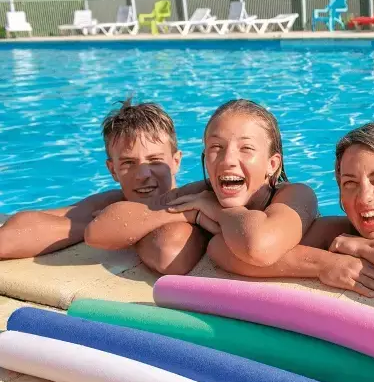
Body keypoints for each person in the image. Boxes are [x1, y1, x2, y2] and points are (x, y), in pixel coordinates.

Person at [207, 121, 374, 305]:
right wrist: (324, 265)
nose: (364, 197)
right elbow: (224, 249)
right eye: (349, 183)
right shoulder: (335, 236)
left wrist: (367, 248)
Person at [87, 99, 317, 275]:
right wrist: (190, 213)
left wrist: (217, 212)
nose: (228, 160)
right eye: (216, 147)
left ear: (272, 164)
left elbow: (258, 246)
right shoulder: (203, 192)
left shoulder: (295, 196)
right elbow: (97, 232)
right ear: (205, 157)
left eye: (245, 148)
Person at [0, 100, 203, 277]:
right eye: (128, 163)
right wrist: (101, 226)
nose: (143, 174)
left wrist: (122, 228)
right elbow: (8, 238)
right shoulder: (110, 203)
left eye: (155, 160)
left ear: (176, 162)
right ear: (112, 170)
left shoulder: (191, 202)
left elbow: (170, 255)